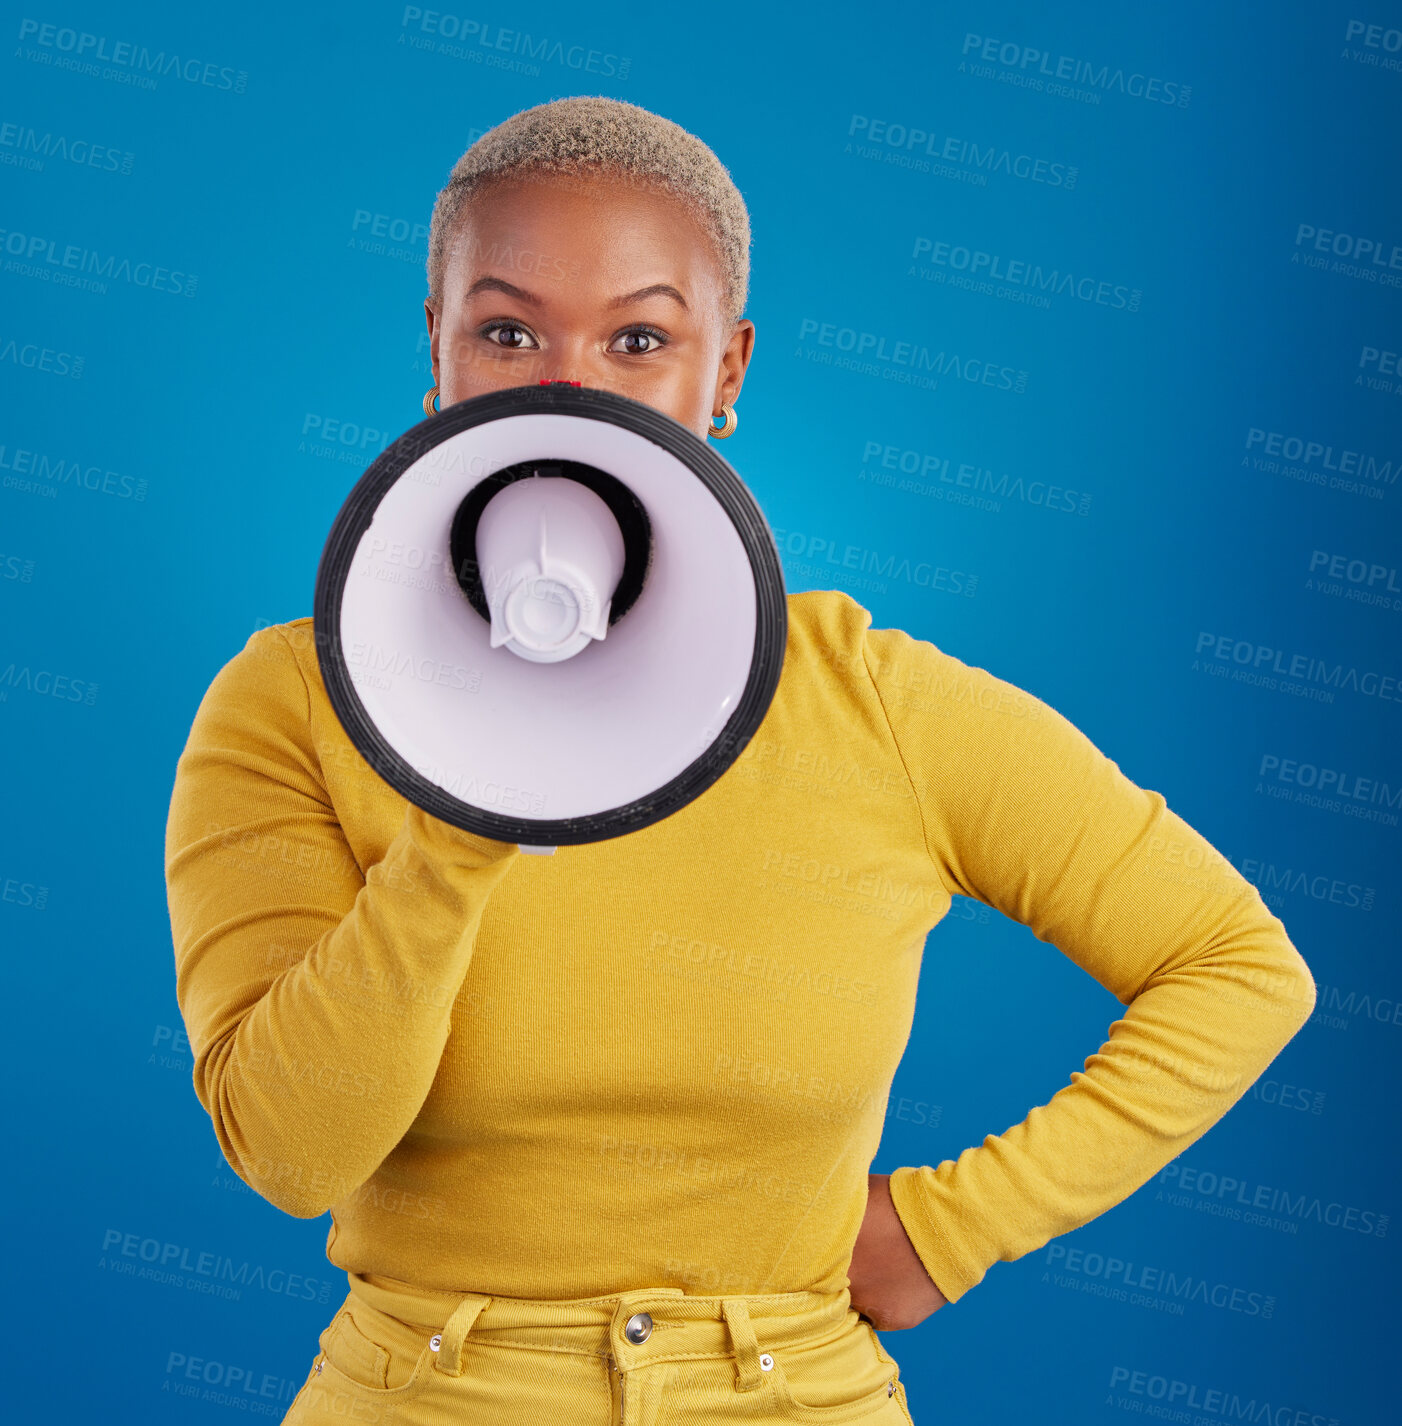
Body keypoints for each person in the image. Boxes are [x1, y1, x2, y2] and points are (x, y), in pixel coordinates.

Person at [165, 96, 1317, 1426]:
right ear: (436, 350)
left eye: (640, 338)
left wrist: (956, 1224)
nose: (565, 388)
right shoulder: (296, 698)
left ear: (725, 374)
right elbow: (293, 1155)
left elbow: (1238, 967)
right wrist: (459, 826)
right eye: (505, 330)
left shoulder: (875, 704)